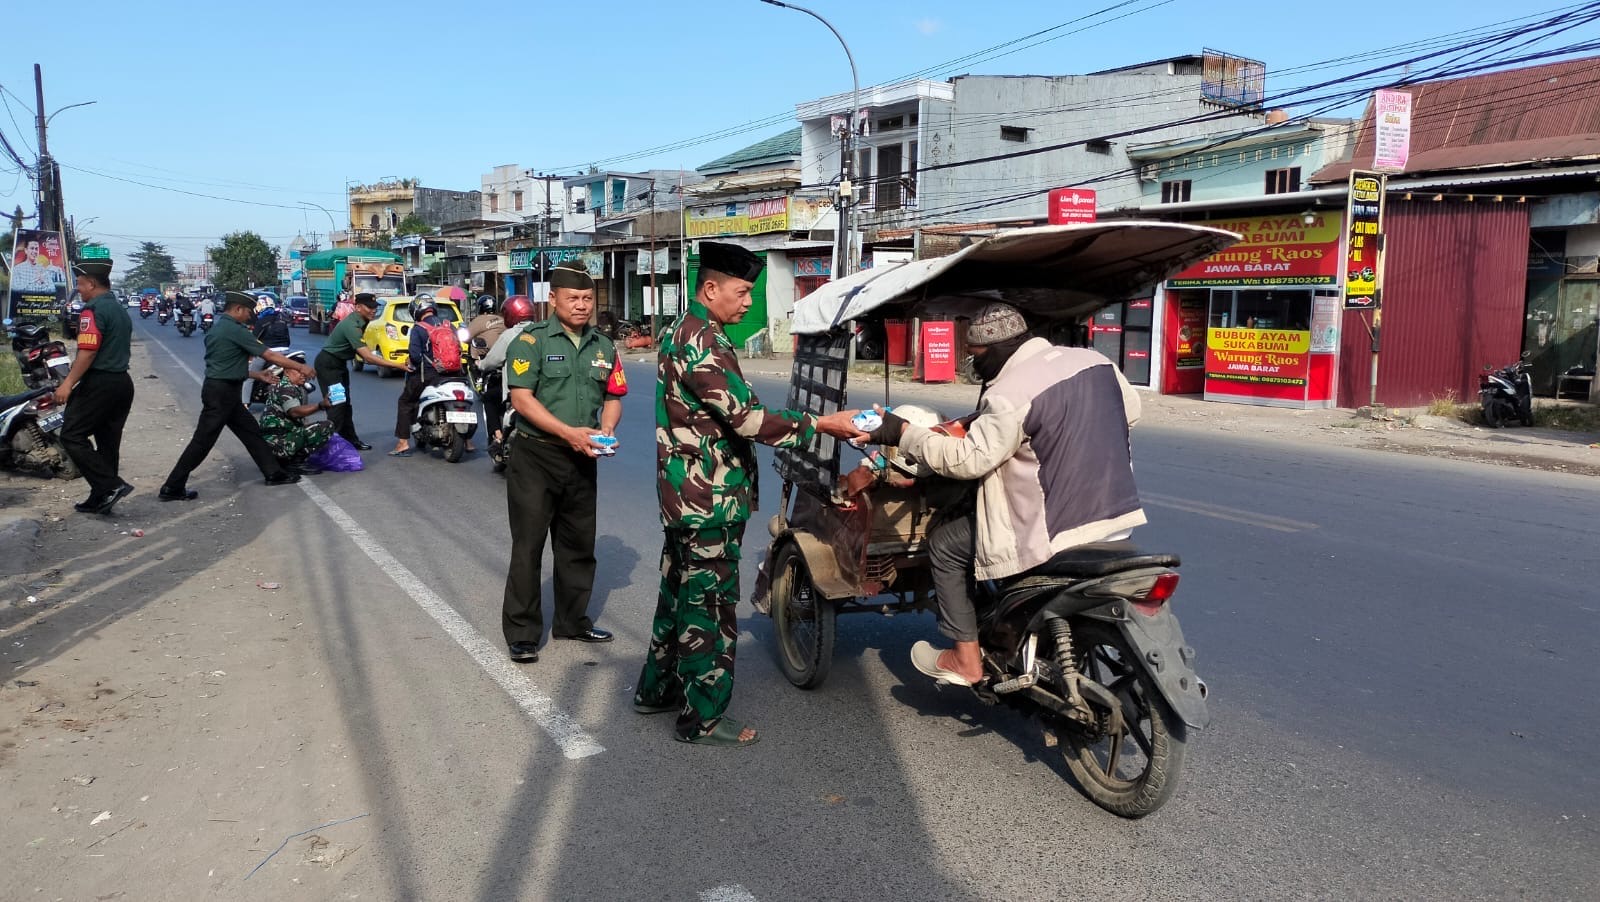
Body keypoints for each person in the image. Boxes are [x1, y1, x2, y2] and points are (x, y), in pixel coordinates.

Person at [633, 242, 866, 747]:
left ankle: (657, 690)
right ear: (710, 288)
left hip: (687, 496)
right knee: (709, 608)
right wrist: (824, 424)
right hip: (708, 501)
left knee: (678, 594)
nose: (746, 303)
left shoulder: (688, 330)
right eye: (741, 293)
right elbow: (748, 419)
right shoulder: (702, 340)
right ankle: (702, 717)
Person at [864, 302, 1146, 687]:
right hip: (1117, 517)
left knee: (946, 543)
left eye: (975, 356)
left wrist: (904, 434)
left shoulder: (1010, 393)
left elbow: (968, 461)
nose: (973, 365)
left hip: (1053, 530)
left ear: (997, 349)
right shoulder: (1097, 363)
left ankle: (965, 660)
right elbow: (1129, 412)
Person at [500, 266, 626, 663]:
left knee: (578, 545)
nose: (581, 305)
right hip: (536, 456)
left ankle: (572, 620)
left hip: (582, 457)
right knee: (529, 545)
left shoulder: (604, 346)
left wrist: (605, 430)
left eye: (587, 299)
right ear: (552, 299)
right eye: (573, 298)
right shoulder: (531, 341)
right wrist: (568, 432)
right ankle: (522, 632)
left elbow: (613, 395)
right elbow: (522, 399)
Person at [157, 292, 320, 501]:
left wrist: (256, 374)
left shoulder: (219, 329)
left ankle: (274, 473)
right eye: (248, 311)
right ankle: (172, 486)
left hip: (224, 390)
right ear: (238, 310)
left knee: (251, 432)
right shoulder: (235, 330)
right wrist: (300, 366)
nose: (250, 316)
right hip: (221, 393)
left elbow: (225, 364)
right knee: (202, 441)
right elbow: (269, 355)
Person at [54, 252, 135, 515]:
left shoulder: (93, 310)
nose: (78, 290)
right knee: (108, 442)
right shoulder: (119, 309)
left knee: (71, 435)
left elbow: (87, 353)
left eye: (79, 284)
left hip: (100, 382)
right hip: (122, 383)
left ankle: (110, 485)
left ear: (91, 284)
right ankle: (101, 497)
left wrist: (67, 384)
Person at [312, 292, 408, 451]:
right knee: (336, 405)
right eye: (369, 307)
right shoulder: (352, 325)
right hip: (328, 364)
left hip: (340, 364)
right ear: (357, 307)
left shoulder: (363, 320)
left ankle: (350, 440)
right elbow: (367, 358)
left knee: (345, 405)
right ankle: (329, 446)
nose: (373, 311)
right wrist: (399, 366)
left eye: (375, 307)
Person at [390, 295, 470, 456]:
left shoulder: (418, 328)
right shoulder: (449, 326)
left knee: (405, 402)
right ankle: (468, 442)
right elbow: (459, 350)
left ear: (416, 310)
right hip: (455, 375)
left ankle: (403, 443)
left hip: (429, 376)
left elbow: (415, 356)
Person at [258, 354, 334, 474]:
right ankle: (294, 462)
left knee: (310, 429)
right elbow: (294, 412)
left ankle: (288, 458)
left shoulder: (293, 387)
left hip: (277, 439)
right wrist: (320, 405)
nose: (303, 375)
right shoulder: (286, 388)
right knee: (326, 427)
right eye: (299, 371)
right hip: (276, 442)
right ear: (287, 372)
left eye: (304, 371)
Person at [466, 295, 508, 459]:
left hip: (490, 362)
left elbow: (467, 337)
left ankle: (497, 435)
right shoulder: (503, 321)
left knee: (488, 399)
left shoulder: (479, 320)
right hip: (509, 368)